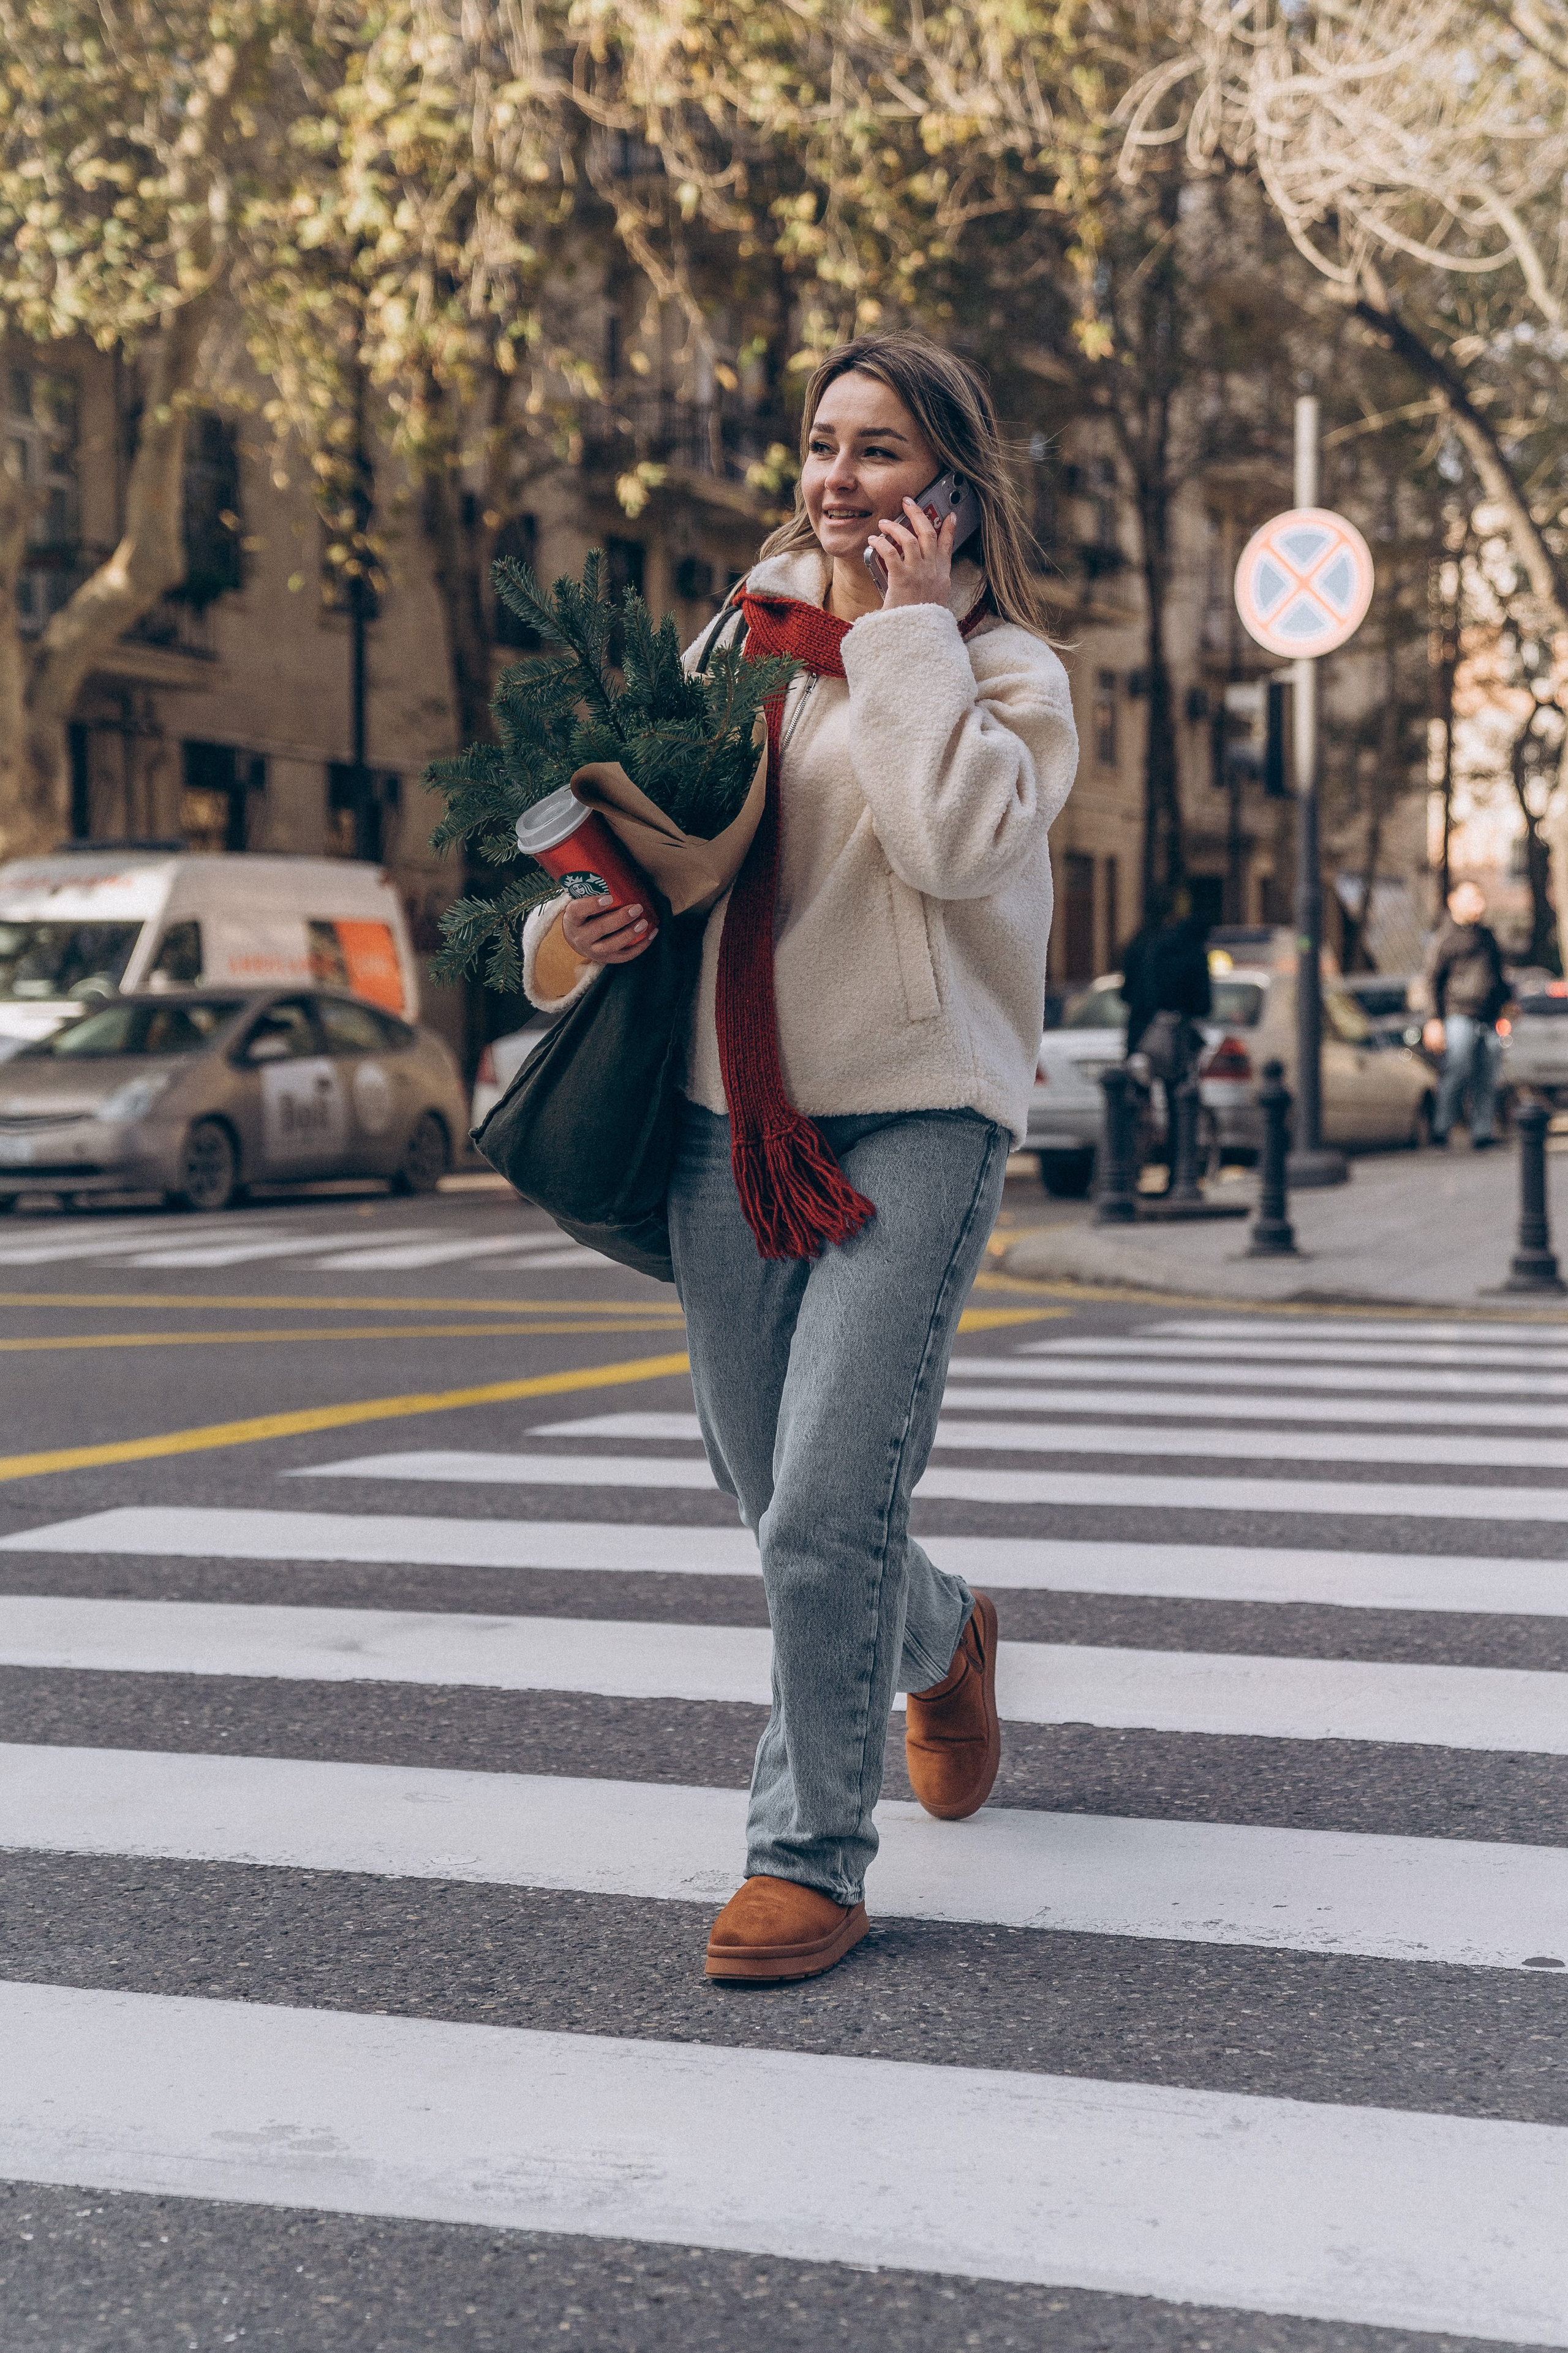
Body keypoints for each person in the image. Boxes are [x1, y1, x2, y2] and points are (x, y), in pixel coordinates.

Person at [521, 331, 1078, 1984]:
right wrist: (584, 921)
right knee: (777, 1502)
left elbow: (954, 842)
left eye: (883, 450)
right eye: (826, 444)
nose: (840, 478)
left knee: (832, 1499)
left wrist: (903, 635)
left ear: (954, 488)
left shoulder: (1009, 677)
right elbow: (671, 849)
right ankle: (943, 1639)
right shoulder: (737, 644)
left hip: (914, 1109)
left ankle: (807, 1857)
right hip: (724, 1110)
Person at [1423, 880, 1510, 1149]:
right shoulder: (1445, 937)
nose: (1478, 905)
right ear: (1453, 901)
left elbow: (1498, 976)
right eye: (1472, 899)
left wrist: (1507, 1003)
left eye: (1480, 899)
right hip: (1458, 1014)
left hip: (1489, 1017)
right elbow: (1431, 980)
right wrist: (1434, 1020)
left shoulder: (1487, 936)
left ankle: (1482, 1132)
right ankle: (1441, 1128)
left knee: (1487, 1075)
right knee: (1458, 1069)